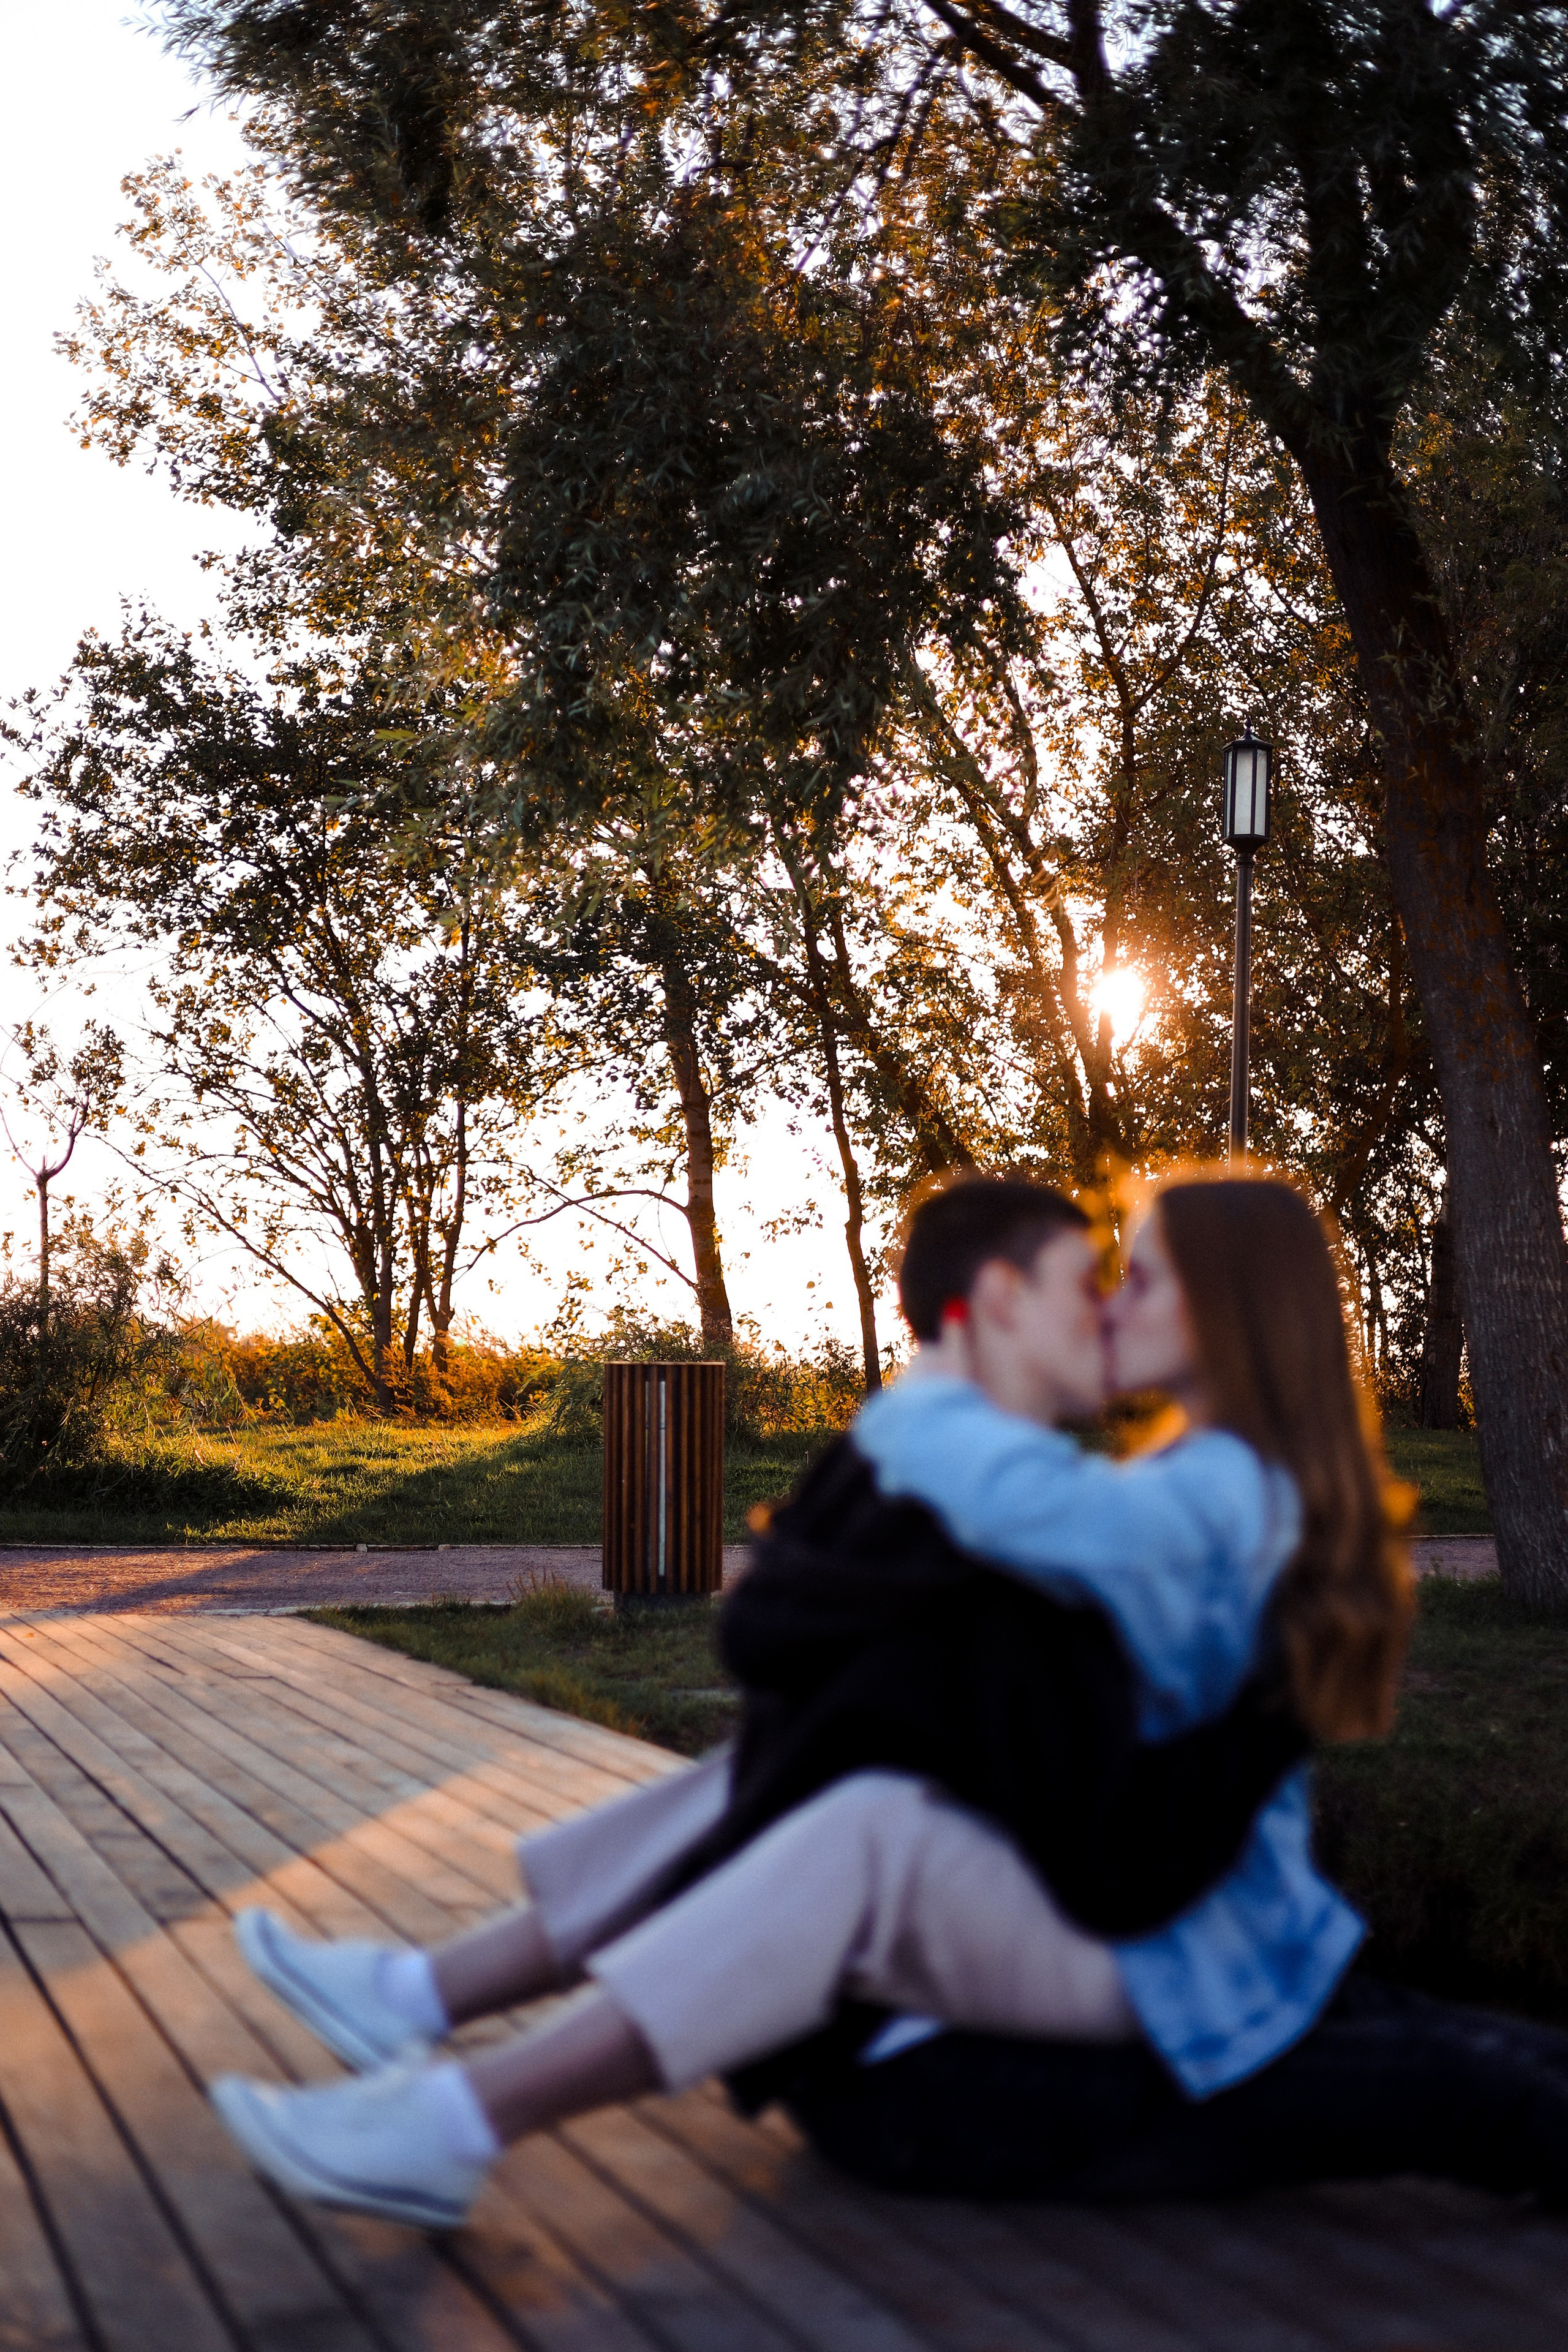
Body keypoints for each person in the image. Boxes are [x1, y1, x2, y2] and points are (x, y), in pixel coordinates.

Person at [208, 1169, 1409, 2226]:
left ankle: (456, 2116)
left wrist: (942, 1374)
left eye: (1135, 1278)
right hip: (1112, 1878)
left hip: (1181, 1946)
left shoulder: (1220, 1496)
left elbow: (1011, 1507)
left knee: (866, 1828)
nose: (1106, 1305)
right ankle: (423, 2001)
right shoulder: (1204, 1478)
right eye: (1100, 1278)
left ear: (1230, 1306)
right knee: (792, 1774)